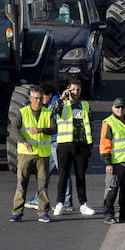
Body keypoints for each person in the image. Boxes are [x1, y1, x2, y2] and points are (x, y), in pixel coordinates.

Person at [51, 78, 96, 217]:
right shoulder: (62, 104)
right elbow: (51, 111)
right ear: (68, 90)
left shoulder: (85, 105)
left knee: (80, 176)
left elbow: (90, 125)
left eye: (78, 89)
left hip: (81, 145)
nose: (76, 92)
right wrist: (62, 98)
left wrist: (89, 145)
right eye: (73, 89)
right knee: (63, 175)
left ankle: (83, 204)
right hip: (65, 144)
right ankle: (59, 203)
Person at [12, 87, 57, 222]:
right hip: (26, 154)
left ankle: (43, 212)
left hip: (42, 155)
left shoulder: (47, 113)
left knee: (42, 185)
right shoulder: (23, 112)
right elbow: (14, 128)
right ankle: (17, 212)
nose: (38, 101)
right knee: (21, 183)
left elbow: (54, 129)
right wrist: (23, 141)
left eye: (40, 98)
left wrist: (41, 129)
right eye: (36, 98)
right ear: (30, 99)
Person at [99, 97, 125, 224]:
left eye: (122, 107)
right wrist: (108, 163)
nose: (120, 109)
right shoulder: (108, 123)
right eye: (117, 107)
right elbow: (104, 144)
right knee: (112, 190)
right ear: (112, 108)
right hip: (115, 163)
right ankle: (108, 214)